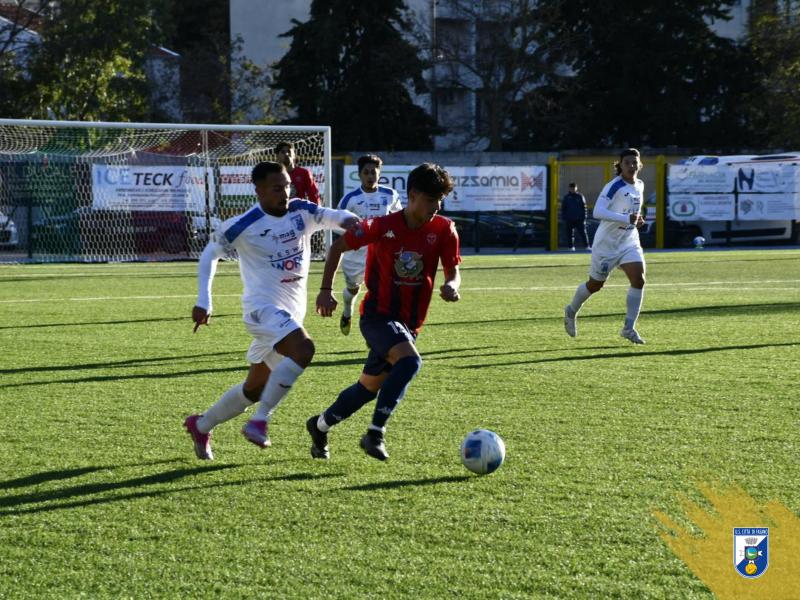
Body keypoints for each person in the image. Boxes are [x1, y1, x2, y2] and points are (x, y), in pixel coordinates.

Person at [183, 161, 358, 460]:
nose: (285, 193)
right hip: (261, 311)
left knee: (253, 389)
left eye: (287, 186)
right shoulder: (244, 224)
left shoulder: (300, 211)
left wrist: (352, 221)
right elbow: (209, 254)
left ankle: (201, 425)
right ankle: (259, 421)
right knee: (304, 348)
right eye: (277, 188)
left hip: (289, 317)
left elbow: (335, 217)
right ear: (259, 191)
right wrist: (204, 300)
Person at [306, 163, 461, 461]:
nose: (436, 207)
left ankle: (319, 425)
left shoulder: (444, 229)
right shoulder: (381, 226)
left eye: (440, 200)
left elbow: (453, 271)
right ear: (412, 195)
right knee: (410, 361)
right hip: (378, 316)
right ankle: (375, 433)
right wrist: (325, 290)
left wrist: (451, 285)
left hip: (409, 324)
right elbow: (337, 248)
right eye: (431, 199)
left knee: (367, 389)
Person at [563, 148, 647, 344]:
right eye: (627, 162)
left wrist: (637, 220)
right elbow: (598, 212)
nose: (632, 166)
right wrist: (626, 218)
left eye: (635, 162)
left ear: (640, 164)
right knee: (595, 285)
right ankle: (571, 310)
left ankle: (628, 328)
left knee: (639, 279)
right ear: (620, 165)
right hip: (606, 244)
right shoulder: (614, 186)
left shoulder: (640, 185)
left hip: (628, 240)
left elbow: (632, 212)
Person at [336, 154, 403, 336]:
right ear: (359, 175)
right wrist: (354, 233)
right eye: (366, 172)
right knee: (353, 289)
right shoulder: (350, 198)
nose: (370, 176)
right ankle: (347, 311)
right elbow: (337, 224)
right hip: (355, 255)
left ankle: (377, 326)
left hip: (383, 253)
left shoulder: (390, 195)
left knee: (383, 290)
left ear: (379, 174)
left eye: (373, 172)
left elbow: (399, 220)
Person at [561, 182, 590, 251]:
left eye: (574, 188)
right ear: (569, 188)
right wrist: (564, 217)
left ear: (576, 188)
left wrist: (584, 217)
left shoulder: (580, 196)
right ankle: (571, 247)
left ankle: (587, 246)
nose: (573, 189)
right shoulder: (566, 197)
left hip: (579, 219)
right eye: (571, 188)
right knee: (570, 234)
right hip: (569, 219)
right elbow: (563, 208)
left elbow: (584, 207)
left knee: (583, 233)